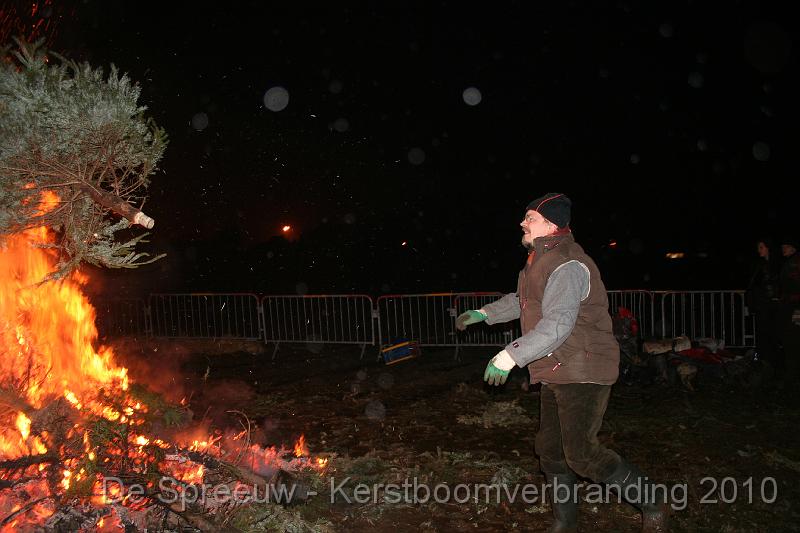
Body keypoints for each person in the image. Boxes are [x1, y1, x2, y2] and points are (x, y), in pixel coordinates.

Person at [456, 193, 669, 532]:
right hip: (556, 367)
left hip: (584, 367)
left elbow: (558, 324)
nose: (523, 222)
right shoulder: (538, 261)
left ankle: (653, 503)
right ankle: (564, 523)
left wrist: (510, 355)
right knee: (551, 451)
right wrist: (484, 313)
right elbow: (524, 302)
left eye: (531, 217)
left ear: (551, 225)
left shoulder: (568, 264)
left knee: (582, 454)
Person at [746, 239, 783, 371]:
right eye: (758, 247)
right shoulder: (760, 265)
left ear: (768, 248)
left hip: (771, 307)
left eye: (761, 247)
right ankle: (764, 361)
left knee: (771, 335)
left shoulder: (775, 265)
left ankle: (772, 363)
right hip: (763, 306)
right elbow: (754, 286)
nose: (759, 250)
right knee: (764, 335)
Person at [779, 237, 800, 385]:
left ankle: (792, 375)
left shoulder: (794, 262)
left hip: (794, 305)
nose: (783, 249)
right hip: (792, 304)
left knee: (792, 338)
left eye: (786, 246)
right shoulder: (790, 262)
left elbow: (792, 285)